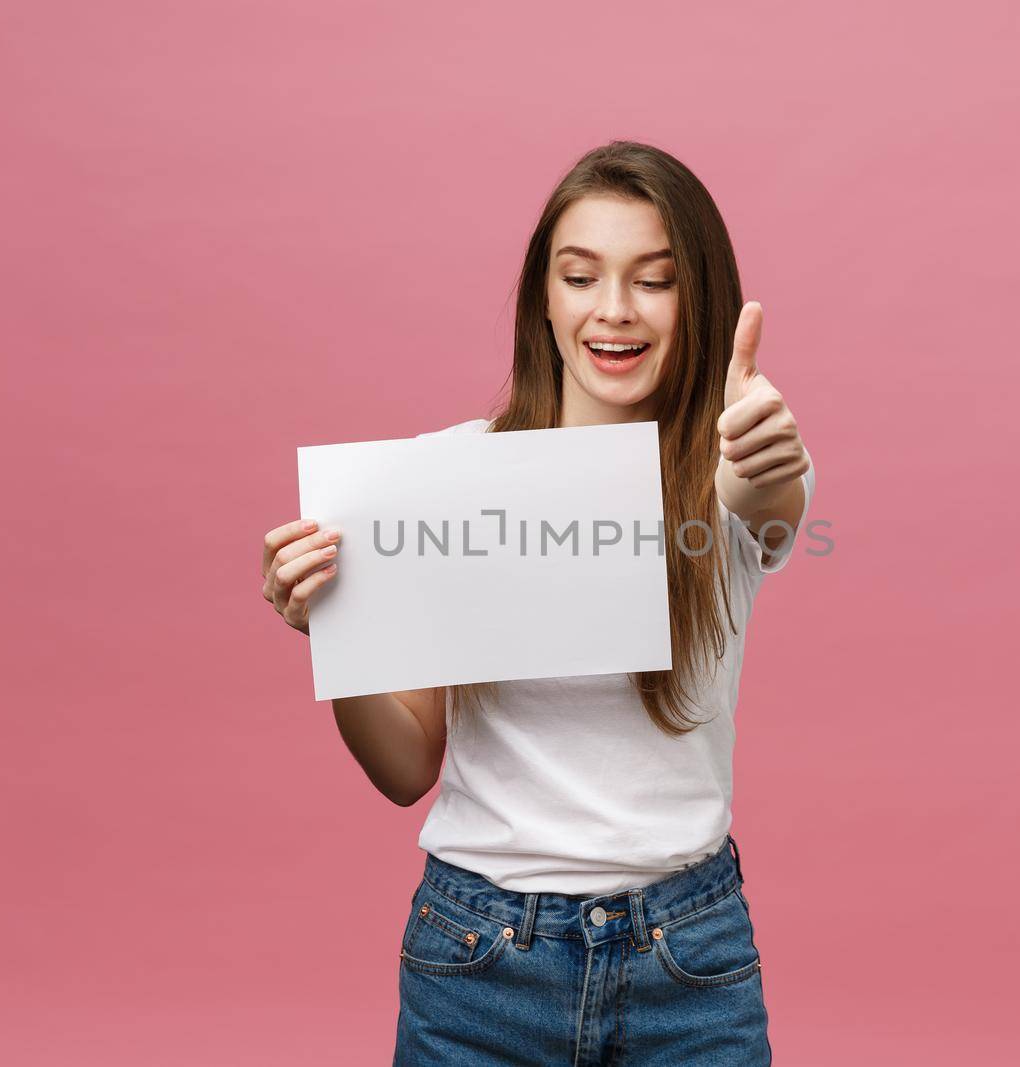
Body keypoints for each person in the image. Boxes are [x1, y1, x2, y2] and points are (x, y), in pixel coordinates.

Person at [260, 140, 814, 1065]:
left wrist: (767, 461)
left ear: (700, 300)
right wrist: (335, 630)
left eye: (655, 279)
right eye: (581, 275)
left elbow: (772, 501)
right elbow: (405, 770)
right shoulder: (449, 478)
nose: (614, 309)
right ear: (544, 298)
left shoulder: (729, 471)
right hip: (479, 958)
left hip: (687, 956)